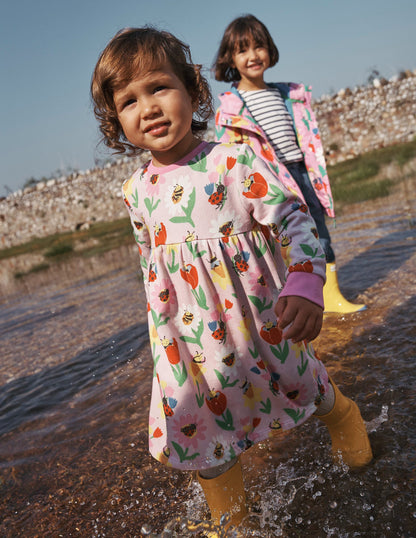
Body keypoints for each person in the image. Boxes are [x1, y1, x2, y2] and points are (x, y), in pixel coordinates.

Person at [91, 27, 372, 532]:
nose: (148, 107)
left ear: (192, 87)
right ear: (116, 121)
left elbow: (294, 216)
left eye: (158, 87)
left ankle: (342, 414)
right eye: (129, 100)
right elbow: (150, 262)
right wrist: (163, 336)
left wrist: (306, 281)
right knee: (197, 420)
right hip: (189, 337)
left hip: (260, 316)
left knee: (301, 381)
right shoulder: (136, 190)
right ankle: (233, 519)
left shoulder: (231, 160)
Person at [212, 14, 366, 315]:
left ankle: (330, 296)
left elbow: (305, 136)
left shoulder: (286, 94)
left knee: (319, 232)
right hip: (270, 181)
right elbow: (229, 153)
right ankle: (292, 300)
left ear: (270, 49)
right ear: (230, 58)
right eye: (243, 50)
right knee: (282, 242)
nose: (253, 55)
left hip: (302, 173)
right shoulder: (232, 106)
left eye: (259, 46)